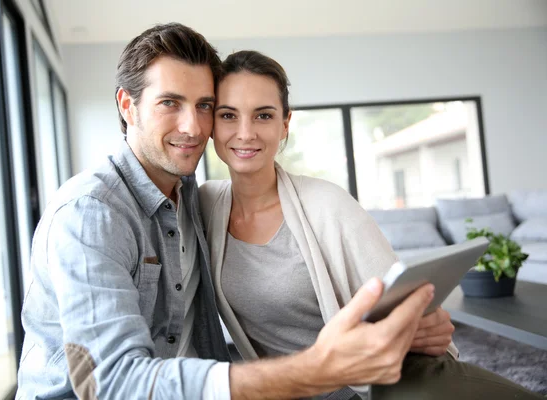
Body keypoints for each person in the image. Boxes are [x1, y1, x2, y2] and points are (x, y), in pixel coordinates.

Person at [16, 22, 436, 400]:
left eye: (203, 106)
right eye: (170, 103)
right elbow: (113, 384)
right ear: (128, 106)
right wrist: (314, 370)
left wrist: (415, 325)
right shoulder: (92, 214)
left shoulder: (190, 195)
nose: (193, 127)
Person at [199, 50, 543, 399]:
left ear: (285, 123)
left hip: (376, 385)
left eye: (263, 115)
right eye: (229, 115)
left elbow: (409, 306)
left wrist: (426, 320)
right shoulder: (204, 205)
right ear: (212, 124)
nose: (245, 133)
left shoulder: (328, 204)